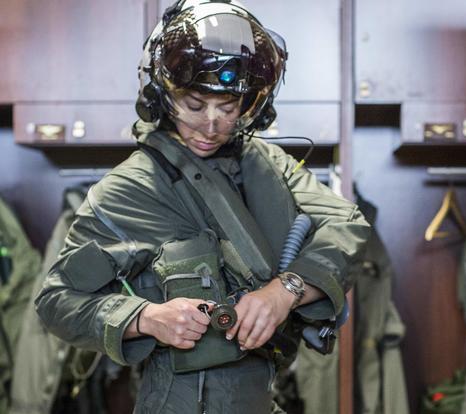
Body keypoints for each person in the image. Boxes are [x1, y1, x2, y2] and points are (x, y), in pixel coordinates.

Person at [34, 1, 370, 413]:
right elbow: (56, 300)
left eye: (228, 108)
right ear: (163, 93)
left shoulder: (268, 165)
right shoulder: (129, 188)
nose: (211, 124)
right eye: (194, 105)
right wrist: (146, 318)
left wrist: (284, 292)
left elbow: (347, 225)